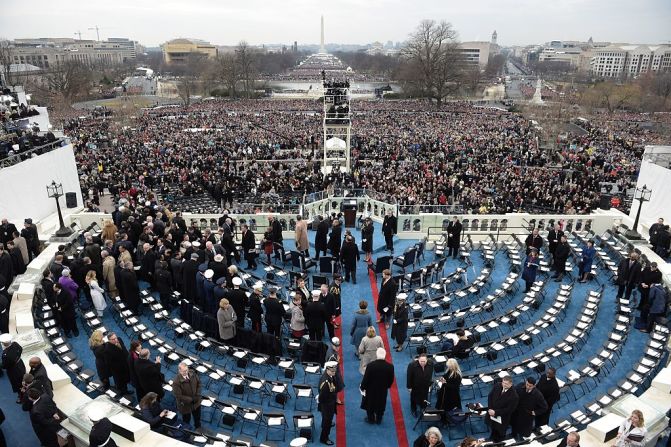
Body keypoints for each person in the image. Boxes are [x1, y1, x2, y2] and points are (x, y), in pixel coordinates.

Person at [360, 347, 394, 424]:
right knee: (381, 404)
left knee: (370, 404)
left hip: (371, 390)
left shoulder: (371, 366)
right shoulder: (390, 367)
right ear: (384, 355)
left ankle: (371, 419)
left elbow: (366, 378)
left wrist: (362, 387)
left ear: (377, 355)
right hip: (383, 390)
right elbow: (391, 380)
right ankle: (379, 419)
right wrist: (387, 386)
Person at [486, 376, 519, 442]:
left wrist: (495, 412)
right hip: (491, 413)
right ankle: (492, 438)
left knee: (500, 433)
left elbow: (509, 410)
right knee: (493, 428)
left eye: (506, 384)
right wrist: (490, 409)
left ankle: (498, 442)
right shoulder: (498, 385)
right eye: (503, 382)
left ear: (511, 384)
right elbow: (490, 396)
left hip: (502, 418)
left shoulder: (514, 396)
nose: (504, 385)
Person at [172, 362, 202, 431]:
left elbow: (199, 384)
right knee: (186, 420)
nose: (186, 372)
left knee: (197, 417)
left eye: (186, 370)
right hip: (185, 405)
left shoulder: (193, 374)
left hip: (196, 402)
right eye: (183, 371)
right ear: (179, 371)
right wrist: (191, 399)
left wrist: (197, 394)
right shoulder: (176, 382)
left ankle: (198, 427)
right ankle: (186, 431)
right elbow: (178, 396)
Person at [1, 333, 26, 402]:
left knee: (17, 383)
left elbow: (4, 366)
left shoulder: (5, 354)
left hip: (13, 370)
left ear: (3, 343)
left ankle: (21, 397)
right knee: (23, 378)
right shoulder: (15, 344)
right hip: (20, 364)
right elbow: (20, 349)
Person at [318, 361, 338, 445]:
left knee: (326, 421)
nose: (334, 372)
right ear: (327, 369)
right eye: (332, 371)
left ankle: (324, 424)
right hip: (327, 406)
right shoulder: (326, 382)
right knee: (327, 422)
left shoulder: (329, 376)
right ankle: (324, 438)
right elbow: (322, 397)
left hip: (329, 404)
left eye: (334, 371)